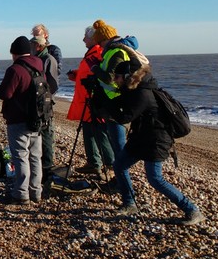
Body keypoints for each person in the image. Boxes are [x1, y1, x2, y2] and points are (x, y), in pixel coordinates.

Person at [106, 59, 206, 225]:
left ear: (128, 76)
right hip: (141, 138)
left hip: (156, 140)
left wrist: (106, 104)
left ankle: (192, 210)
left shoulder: (143, 93)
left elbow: (125, 117)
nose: (115, 80)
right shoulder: (135, 89)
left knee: (155, 179)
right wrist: (102, 98)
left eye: (117, 76)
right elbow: (121, 103)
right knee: (119, 165)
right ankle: (129, 204)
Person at [88, 19, 148, 158]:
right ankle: (119, 172)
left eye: (99, 42)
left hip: (116, 101)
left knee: (118, 144)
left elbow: (110, 77)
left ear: (104, 39)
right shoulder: (114, 51)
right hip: (112, 100)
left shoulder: (117, 52)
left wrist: (95, 68)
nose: (99, 46)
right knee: (114, 141)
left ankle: (120, 173)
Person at [0, 36, 45, 203]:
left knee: (20, 157)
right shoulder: (39, 65)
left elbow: (6, 94)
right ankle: (36, 191)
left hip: (18, 119)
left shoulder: (15, 70)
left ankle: (21, 193)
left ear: (14, 53)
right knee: (35, 157)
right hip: (37, 119)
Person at [67, 26, 114, 178]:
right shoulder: (91, 54)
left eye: (85, 37)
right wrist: (76, 74)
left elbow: (101, 75)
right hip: (86, 102)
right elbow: (88, 73)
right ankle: (94, 163)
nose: (83, 40)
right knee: (89, 133)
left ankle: (111, 167)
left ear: (94, 38)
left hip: (94, 102)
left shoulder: (98, 53)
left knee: (100, 134)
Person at [31, 34, 59, 172]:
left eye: (32, 44)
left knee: (47, 131)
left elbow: (53, 83)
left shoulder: (48, 59)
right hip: (38, 100)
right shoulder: (38, 58)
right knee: (39, 131)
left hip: (46, 101)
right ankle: (40, 163)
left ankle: (47, 165)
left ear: (38, 46)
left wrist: (46, 97)